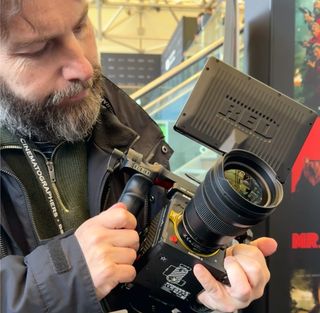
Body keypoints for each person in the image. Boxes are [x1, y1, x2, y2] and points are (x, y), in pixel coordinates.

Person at [0, 0, 278, 312]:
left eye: (80, 26)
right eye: (38, 48)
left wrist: (218, 285)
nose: (83, 67)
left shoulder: (127, 126)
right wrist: (64, 278)